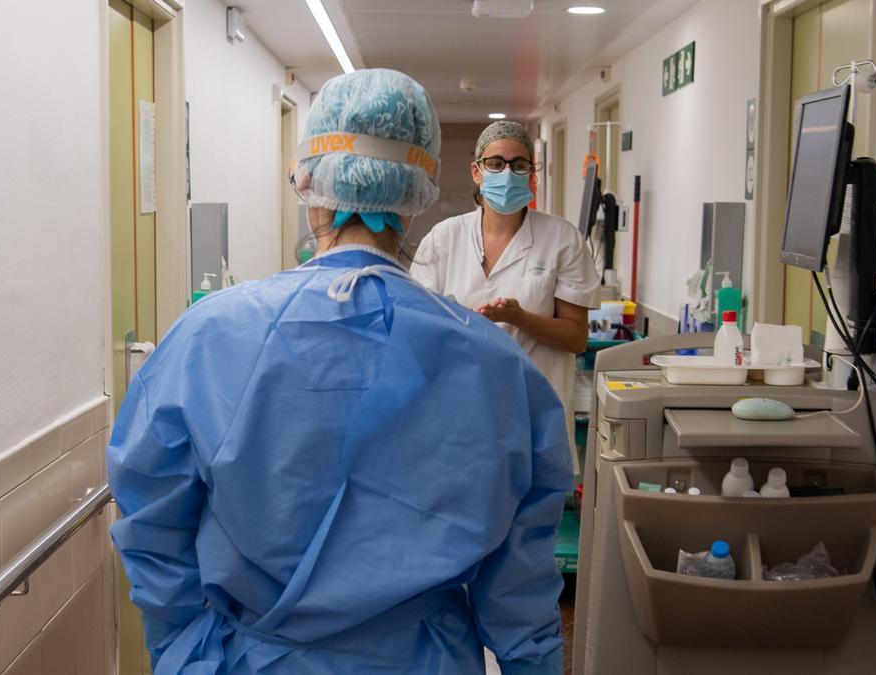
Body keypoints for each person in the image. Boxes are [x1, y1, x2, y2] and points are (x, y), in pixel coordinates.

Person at [108, 69, 572, 675]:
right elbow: (521, 584)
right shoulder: (496, 365)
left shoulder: (208, 337)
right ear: (420, 191)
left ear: (306, 183)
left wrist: (183, 653)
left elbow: (153, 524)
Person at [411, 122, 600, 453]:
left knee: (531, 500)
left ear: (532, 174)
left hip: (533, 415)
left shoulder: (562, 239)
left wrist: (519, 318)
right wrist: (461, 324)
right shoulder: (443, 239)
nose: (507, 173)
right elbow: (416, 331)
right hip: (458, 411)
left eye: (519, 164)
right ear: (476, 171)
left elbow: (576, 338)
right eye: (496, 164)